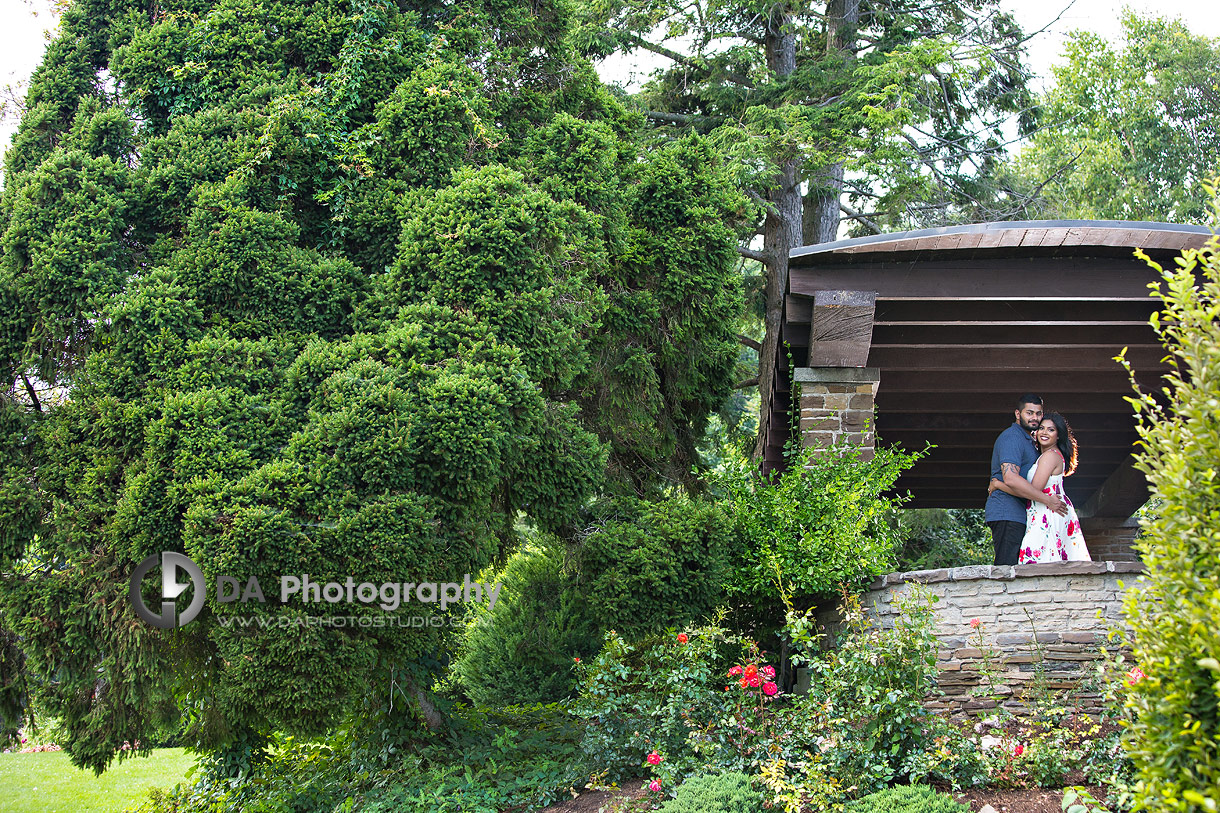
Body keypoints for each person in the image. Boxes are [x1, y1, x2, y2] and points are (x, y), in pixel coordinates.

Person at [989, 413, 1091, 563]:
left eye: (1051, 430)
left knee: (1039, 560)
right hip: (1044, 509)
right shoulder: (1045, 455)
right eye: (1042, 428)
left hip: (1048, 512)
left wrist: (998, 485)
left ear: (1058, 436)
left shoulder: (1049, 456)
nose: (1044, 432)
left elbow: (1032, 490)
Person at [985, 394, 1066, 565]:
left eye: (1038, 413)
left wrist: (997, 483)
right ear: (1017, 413)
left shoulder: (1031, 442)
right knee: (1007, 570)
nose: (1034, 418)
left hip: (1023, 513)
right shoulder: (1012, 437)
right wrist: (1047, 500)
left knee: (1022, 569)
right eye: (1029, 413)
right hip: (1007, 512)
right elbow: (1011, 478)